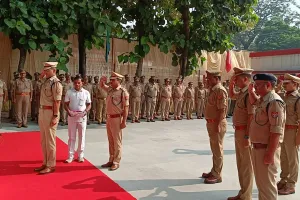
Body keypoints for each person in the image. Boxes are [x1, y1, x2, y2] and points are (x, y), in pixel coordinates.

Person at [248, 73, 286, 200]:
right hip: (258, 149)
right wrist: (250, 91)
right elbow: (254, 102)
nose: (255, 87)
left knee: (267, 188)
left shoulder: (274, 102)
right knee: (262, 185)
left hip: (266, 149)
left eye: (258, 85)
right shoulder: (264, 99)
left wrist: (270, 154)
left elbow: (276, 132)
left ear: (268, 85)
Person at [227, 67, 255, 200]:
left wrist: (247, 136)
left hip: (244, 132)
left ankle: (246, 195)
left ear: (245, 79)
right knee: (241, 164)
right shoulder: (242, 93)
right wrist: (232, 83)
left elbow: (251, 116)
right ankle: (243, 192)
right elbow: (231, 95)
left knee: (246, 166)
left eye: (237, 78)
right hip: (239, 131)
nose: (235, 80)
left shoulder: (249, 94)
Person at [34, 62, 62, 174]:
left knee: (50, 140)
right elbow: (39, 82)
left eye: (47, 70)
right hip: (43, 111)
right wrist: (42, 76)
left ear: (53, 70)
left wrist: (55, 116)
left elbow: (57, 101)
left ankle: (51, 164)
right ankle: (45, 162)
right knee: (43, 139)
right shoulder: (46, 81)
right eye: (44, 70)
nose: (44, 72)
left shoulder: (56, 83)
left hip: (50, 112)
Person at [202, 70, 228, 184]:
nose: (208, 80)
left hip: (217, 123)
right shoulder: (213, 90)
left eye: (210, 78)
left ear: (216, 78)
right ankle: (214, 171)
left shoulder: (220, 90)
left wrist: (217, 124)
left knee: (218, 149)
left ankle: (217, 175)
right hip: (211, 123)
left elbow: (222, 109)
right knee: (214, 148)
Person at [100, 72, 129, 171]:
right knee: (111, 140)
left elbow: (126, 108)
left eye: (113, 80)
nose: (111, 81)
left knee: (117, 141)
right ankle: (111, 159)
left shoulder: (122, 92)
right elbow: (102, 86)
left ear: (119, 80)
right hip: (109, 118)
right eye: (110, 80)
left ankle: (116, 161)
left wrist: (124, 121)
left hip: (117, 118)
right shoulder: (110, 90)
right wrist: (102, 81)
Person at [277, 73, 300, 195]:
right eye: (284, 83)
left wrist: (298, 137)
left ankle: (291, 184)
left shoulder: (298, 99)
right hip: (283, 130)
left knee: (293, 159)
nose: (284, 85)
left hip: (292, 131)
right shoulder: (285, 97)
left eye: (287, 83)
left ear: (295, 84)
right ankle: (284, 179)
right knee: (284, 158)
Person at [64, 75, 91, 163]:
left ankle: (80, 156)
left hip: (82, 116)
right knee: (71, 137)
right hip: (72, 116)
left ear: (82, 83)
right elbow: (65, 104)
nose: (77, 84)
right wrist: (69, 112)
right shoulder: (69, 92)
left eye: (79, 83)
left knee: (82, 136)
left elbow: (89, 104)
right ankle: (70, 156)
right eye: (75, 83)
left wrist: (85, 111)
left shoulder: (86, 93)